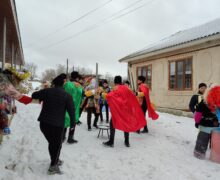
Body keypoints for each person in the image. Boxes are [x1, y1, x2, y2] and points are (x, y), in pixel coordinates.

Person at [32, 74, 75, 175]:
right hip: (57, 125)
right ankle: (53, 166)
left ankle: (55, 160)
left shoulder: (47, 91)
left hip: (44, 124)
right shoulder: (67, 96)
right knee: (56, 145)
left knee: (53, 144)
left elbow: (33, 95)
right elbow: (72, 111)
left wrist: (44, 91)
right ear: (63, 84)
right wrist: (73, 124)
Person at [103, 76, 146, 148]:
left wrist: (103, 94)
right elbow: (133, 96)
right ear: (121, 81)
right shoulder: (127, 88)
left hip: (118, 111)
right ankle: (127, 142)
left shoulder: (115, 88)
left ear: (115, 82)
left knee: (112, 123)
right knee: (126, 124)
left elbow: (110, 96)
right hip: (126, 110)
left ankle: (111, 141)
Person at [63, 71, 83, 144]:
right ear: (77, 78)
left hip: (65, 105)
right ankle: (70, 138)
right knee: (73, 121)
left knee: (65, 120)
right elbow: (82, 94)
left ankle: (62, 137)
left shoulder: (66, 84)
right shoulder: (78, 85)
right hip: (74, 107)